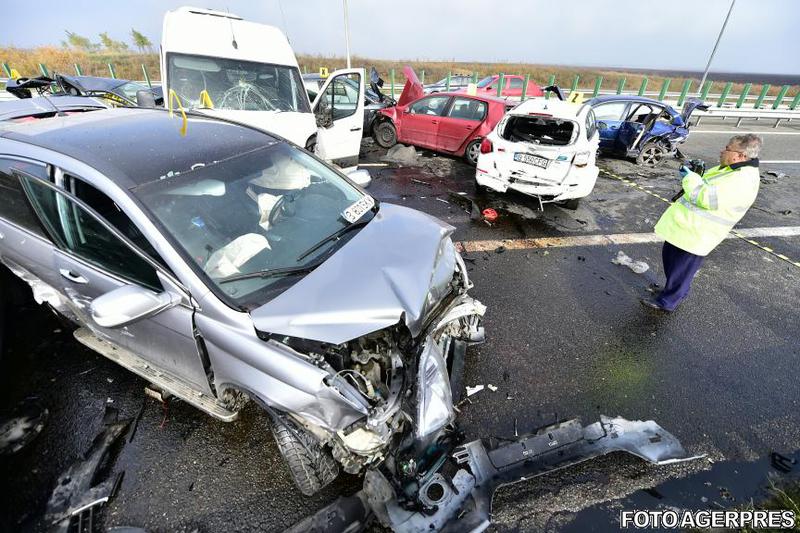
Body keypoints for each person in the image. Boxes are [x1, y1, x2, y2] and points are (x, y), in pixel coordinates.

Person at [641, 134, 763, 312]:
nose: (723, 151)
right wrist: (695, 173)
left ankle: (667, 302)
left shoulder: (741, 179)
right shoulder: (731, 169)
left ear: (740, 155)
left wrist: (689, 178)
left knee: (681, 271)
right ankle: (672, 291)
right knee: (673, 265)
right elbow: (705, 184)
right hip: (687, 228)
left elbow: (705, 197)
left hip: (698, 234)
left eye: (728, 148)